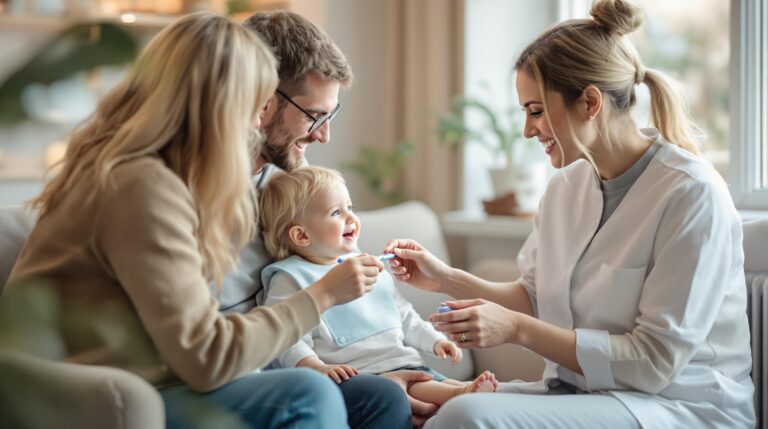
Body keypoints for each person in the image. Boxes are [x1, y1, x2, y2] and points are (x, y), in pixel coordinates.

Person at [384, 0, 756, 427]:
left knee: (466, 416)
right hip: (587, 394)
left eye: (536, 111)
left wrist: (517, 329)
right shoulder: (566, 188)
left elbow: (655, 363)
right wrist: (445, 279)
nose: (528, 130)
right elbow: (538, 298)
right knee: (418, 396)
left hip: (681, 406)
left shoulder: (693, 195)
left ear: (591, 102)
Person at [6, 12, 378, 429]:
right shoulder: (141, 187)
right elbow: (206, 357)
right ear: (219, 104)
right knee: (307, 396)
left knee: (370, 398)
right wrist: (321, 296)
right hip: (101, 397)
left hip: (166, 381)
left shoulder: (181, 181)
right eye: (256, 104)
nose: (258, 120)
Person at [220, 10, 435, 428]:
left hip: (294, 369)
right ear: (261, 100)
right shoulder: (191, 198)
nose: (323, 135)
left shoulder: (286, 189)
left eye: (329, 117)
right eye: (314, 116)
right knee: (382, 400)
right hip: (242, 375)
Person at [259, 166, 499, 405]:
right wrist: (316, 367)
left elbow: (406, 318)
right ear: (301, 236)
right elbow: (286, 337)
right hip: (363, 378)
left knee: (437, 381)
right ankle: (460, 396)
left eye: (349, 208)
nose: (351, 217)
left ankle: (463, 390)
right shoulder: (290, 279)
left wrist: (436, 341)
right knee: (427, 388)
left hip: (405, 363)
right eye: (336, 212)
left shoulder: (368, 266)